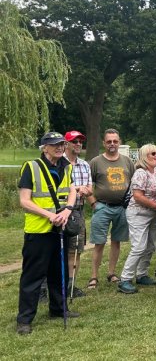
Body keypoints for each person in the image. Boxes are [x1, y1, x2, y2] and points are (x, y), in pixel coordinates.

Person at [16, 132, 79, 335]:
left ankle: (59, 309)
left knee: (58, 272)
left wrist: (68, 209)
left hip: (60, 227)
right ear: (44, 148)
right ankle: (24, 319)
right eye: (54, 145)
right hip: (39, 229)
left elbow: (72, 190)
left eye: (62, 144)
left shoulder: (67, 166)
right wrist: (49, 215)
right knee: (33, 276)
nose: (59, 147)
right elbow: (25, 201)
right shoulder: (31, 167)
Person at [86, 128, 135, 290]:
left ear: (119, 142)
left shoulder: (127, 161)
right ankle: (94, 276)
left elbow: (134, 182)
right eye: (109, 141)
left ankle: (112, 273)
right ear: (104, 143)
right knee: (99, 243)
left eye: (115, 141)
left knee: (116, 242)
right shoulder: (95, 162)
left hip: (122, 208)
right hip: (102, 207)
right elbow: (87, 185)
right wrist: (93, 203)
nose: (112, 144)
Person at [118, 144, 156, 294]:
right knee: (138, 246)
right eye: (152, 153)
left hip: (153, 215)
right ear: (144, 156)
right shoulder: (140, 173)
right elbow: (137, 196)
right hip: (138, 213)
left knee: (150, 245)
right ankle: (125, 278)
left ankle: (142, 274)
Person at [63, 130, 92, 298]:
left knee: (75, 249)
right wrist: (75, 189)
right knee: (56, 250)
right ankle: (48, 286)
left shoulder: (85, 164)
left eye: (80, 141)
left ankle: (70, 285)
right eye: (75, 141)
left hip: (78, 211)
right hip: (61, 211)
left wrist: (83, 190)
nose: (78, 144)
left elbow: (90, 190)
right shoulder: (60, 163)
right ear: (66, 144)